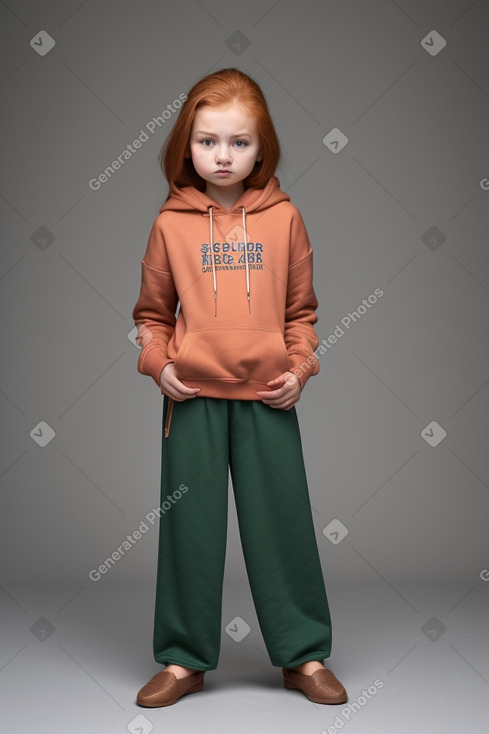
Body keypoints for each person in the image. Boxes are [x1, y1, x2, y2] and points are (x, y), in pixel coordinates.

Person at [132, 67, 348, 708]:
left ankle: (303, 655)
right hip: (191, 397)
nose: (222, 156)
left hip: (267, 396)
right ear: (185, 146)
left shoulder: (285, 220)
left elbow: (302, 315)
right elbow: (150, 316)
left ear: (262, 148)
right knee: (189, 531)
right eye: (207, 141)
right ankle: (182, 658)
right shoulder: (169, 225)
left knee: (283, 525)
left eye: (239, 142)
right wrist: (158, 365)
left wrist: (300, 370)